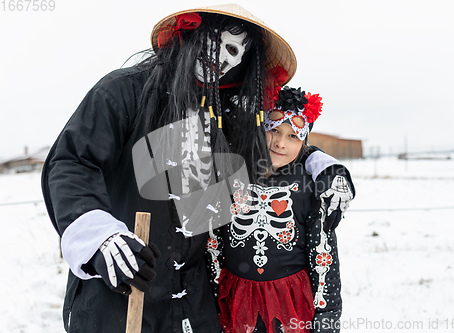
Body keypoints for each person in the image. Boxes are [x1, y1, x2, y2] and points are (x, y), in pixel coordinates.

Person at [41, 4, 301, 332]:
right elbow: (72, 162)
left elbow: (275, 148)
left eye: (237, 56)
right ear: (193, 32)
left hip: (191, 302)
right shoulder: (123, 92)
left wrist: (322, 164)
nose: (227, 61)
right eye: (225, 45)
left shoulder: (214, 117)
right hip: (119, 296)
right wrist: (101, 237)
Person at [205, 86, 356, 332]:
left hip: (292, 303)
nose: (280, 142)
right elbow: (214, 245)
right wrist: (208, 305)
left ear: (304, 142)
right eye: (273, 130)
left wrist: (327, 318)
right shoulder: (234, 171)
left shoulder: (311, 183)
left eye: (292, 136)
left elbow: (323, 258)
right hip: (236, 300)